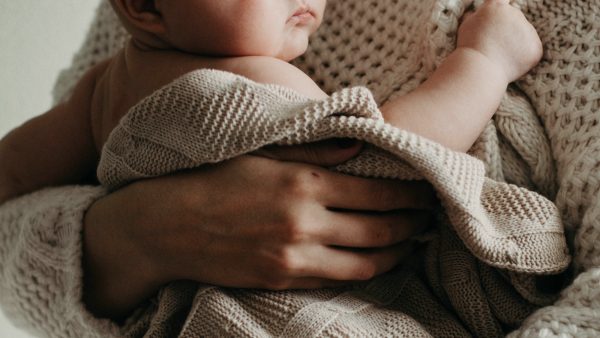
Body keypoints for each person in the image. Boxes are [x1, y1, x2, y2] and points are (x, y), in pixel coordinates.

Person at [0, 0, 541, 319]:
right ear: (144, 6)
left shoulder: (99, 92)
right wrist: (483, 63)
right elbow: (393, 155)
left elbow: (13, 175)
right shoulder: (253, 80)